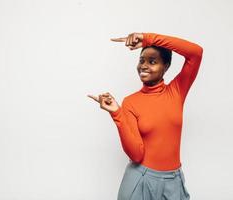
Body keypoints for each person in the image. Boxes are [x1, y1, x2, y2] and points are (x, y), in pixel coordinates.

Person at [87, 32, 203, 200]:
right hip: (140, 180)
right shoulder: (130, 102)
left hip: (173, 181)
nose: (144, 66)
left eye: (152, 61)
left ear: (166, 66)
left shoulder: (176, 92)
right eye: (141, 60)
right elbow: (136, 154)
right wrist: (117, 114)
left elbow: (196, 53)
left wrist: (148, 38)